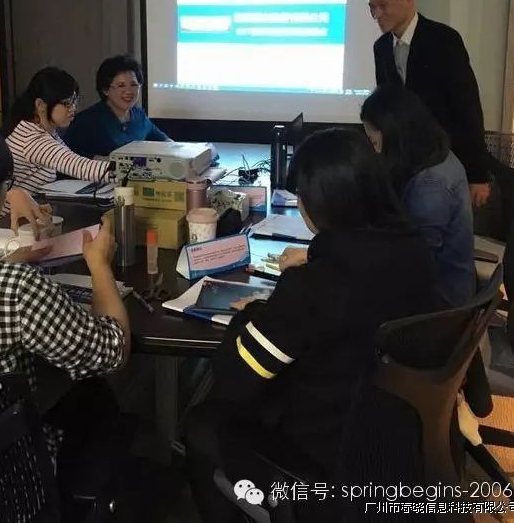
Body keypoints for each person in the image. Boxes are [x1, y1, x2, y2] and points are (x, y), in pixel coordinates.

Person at [185, 128, 442, 523]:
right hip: (397, 442)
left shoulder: (315, 287)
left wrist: (253, 312)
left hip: (326, 458)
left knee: (202, 423)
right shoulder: (415, 252)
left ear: (317, 204)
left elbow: (237, 378)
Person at [0, 117, 130, 454]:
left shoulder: (5, 282)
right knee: (92, 397)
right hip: (7, 476)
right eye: (5, 185)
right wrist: (99, 265)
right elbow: (112, 351)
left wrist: (1, 268)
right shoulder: (16, 290)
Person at [368, 0, 490, 207]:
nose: (377, 14)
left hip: (444, 159)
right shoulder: (381, 47)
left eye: (383, 6)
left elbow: (467, 107)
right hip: (403, 162)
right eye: (372, 7)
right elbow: (387, 110)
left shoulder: (443, 40)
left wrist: (478, 173)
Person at [361, 85, 475, 307]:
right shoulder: (432, 153)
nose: (375, 152)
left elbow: (414, 264)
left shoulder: (431, 186)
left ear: (395, 135)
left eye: (374, 143)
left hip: (441, 302)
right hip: (432, 284)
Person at [4, 67, 112, 195]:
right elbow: (78, 166)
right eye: (66, 103)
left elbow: (69, 157)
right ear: (40, 105)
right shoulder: (32, 138)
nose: (73, 108)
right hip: (19, 208)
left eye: (74, 101)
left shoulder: (43, 130)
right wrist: (128, 170)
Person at [63, 54, 170, 158]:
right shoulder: (87, 120)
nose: (129, 91)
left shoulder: (139, 116)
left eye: (133, 84)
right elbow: (68, 155)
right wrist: (103, 160)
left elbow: (164, 141)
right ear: (105, 90)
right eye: (121, 85)